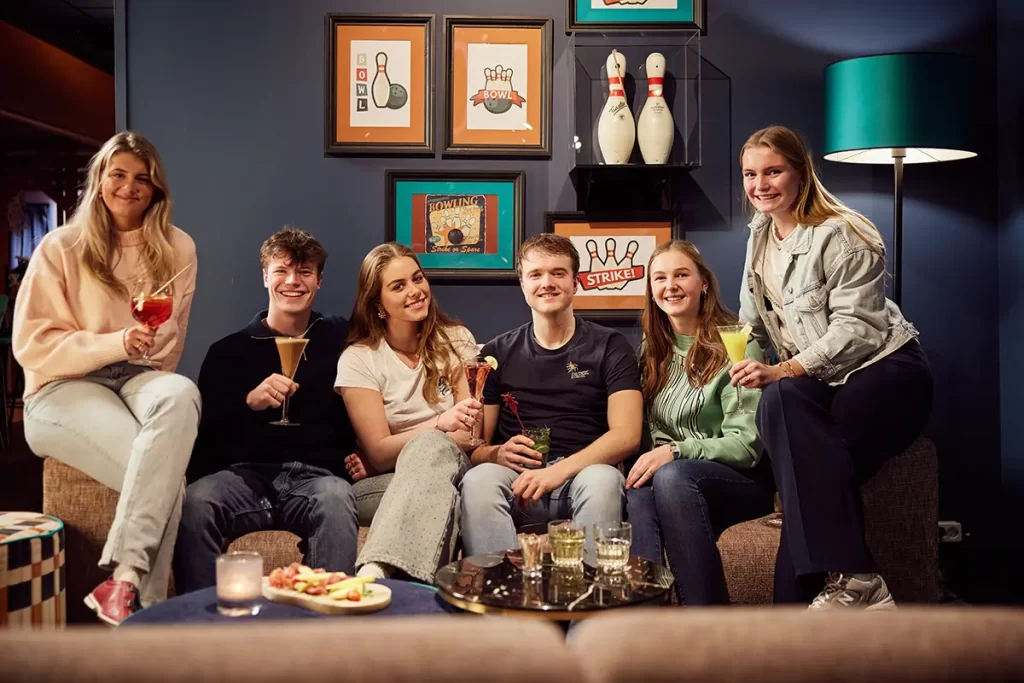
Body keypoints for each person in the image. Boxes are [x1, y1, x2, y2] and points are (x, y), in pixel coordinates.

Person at [733, 125, 933, 610]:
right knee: (781, 407)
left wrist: (782, 371)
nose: (760, 185)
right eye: (750, 174)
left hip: (886, 372)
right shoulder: (760, 235)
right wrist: (739, 366)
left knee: (805, 463)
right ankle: (853, 586)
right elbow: (750, 320)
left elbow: (858, 332)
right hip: (821, 378)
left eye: (773, 171)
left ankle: (811, 607)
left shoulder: (846, 232)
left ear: (801, 172)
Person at [13, 131, 199, 625]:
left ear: (156, 189)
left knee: (181, 393)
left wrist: (142, 352)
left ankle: (124, 584)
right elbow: (32, 345)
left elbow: (170, 344)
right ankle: (149, 610)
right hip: (60, 387)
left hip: (136, 378)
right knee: (167, 479)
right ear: (100, 179)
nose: (129, 187)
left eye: (143, 178)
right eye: (118, 174)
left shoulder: (177, 248)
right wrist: (115, 341)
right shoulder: (62, 246)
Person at [174, 227, 359, 593]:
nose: (293, 281)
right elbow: (204, 432)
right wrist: (248, 403)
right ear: (265, 276)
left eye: (305, 272)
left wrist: (365, 453)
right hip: (244, 479)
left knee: (337, 499)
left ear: (319, 281)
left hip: (316, 479)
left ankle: (329, 634)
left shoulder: (343, 339)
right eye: (282, 271)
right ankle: (202, 630)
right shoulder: (228, 351)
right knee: (195, 502)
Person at [460, 234, 643, 556]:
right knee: (479, 480)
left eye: (558, 273)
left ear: (576, 283)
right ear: (522, 284)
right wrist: (496, 453)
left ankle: (592, 598)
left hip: (584, 476)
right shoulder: (495, 353)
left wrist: (557, 471)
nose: (547, 283)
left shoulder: (610, 346)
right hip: (516, 480)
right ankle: (498, 596)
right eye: (536, 274)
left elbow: (627, 435)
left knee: (603, 479)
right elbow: (476, 446)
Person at [624, 240, 774, 605]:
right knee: (639, 493)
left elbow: (747, 445)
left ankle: (706, 622)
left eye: (681, 275)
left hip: (738, 480)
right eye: (659, 278)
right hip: (669, 483)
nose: (669, 286)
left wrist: (676, 451)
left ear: (703, 282)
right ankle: (644, 620)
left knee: (671, 476)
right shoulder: (652, 349)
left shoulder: (738, 342)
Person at [334, 243, 481, 582]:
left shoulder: (456, 339)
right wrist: (440, 423)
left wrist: (404, 445)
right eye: (398, 286)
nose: (415, 291)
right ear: (378, 304)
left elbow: (472, 434)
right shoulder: (359, 359)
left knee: (433, 450)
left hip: (456, 468)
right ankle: (421, 591)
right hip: (384, 483)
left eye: (418, 279)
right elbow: (378, 452)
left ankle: (378, 572)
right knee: (447, 491)